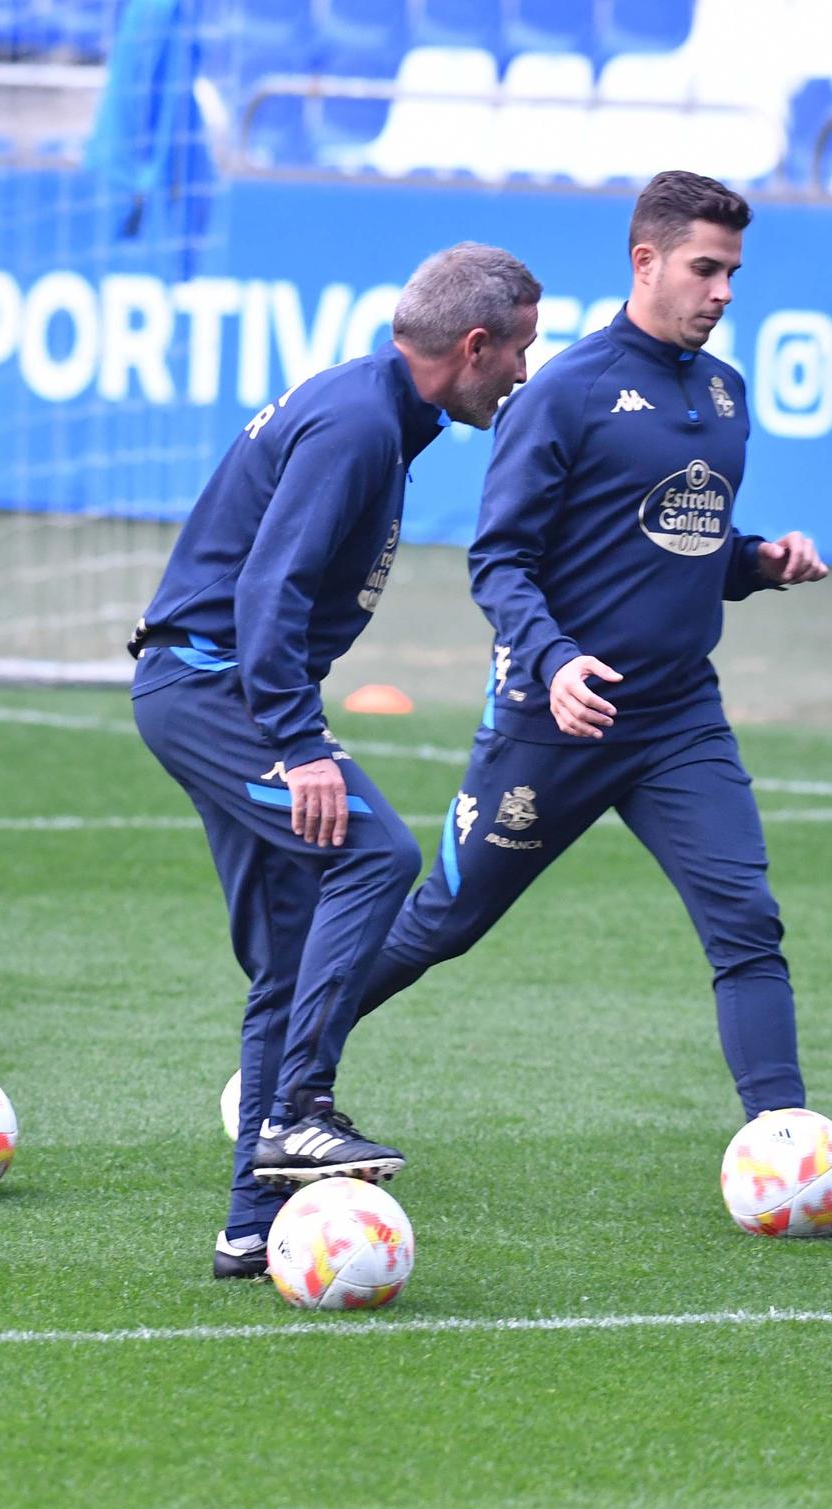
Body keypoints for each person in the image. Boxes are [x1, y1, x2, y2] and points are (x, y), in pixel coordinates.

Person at [346, 173, 832, 1211]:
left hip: (677, 717)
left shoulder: (723, 394)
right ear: (643, 261)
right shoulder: (562, 390)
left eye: (732, 272)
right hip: (552, 720)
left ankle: (784, 1146)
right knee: (444, 924)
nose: (721, 290)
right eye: (704, 268)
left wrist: (756, 563)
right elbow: (497, 563)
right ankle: (285, 1066)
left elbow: (675, 545)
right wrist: (554, 664)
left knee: (744, 919)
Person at [129, 243, 543, 1279]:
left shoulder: (373, 413)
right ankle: (298, 1110)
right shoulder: (358, 424)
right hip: (212, 685)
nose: (524, 376)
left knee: (287, 956)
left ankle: (247, 1223)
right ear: (474, 345)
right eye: (520, 352)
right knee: (374, 854)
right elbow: (270, 585)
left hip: (206, 686)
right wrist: (298, 740)